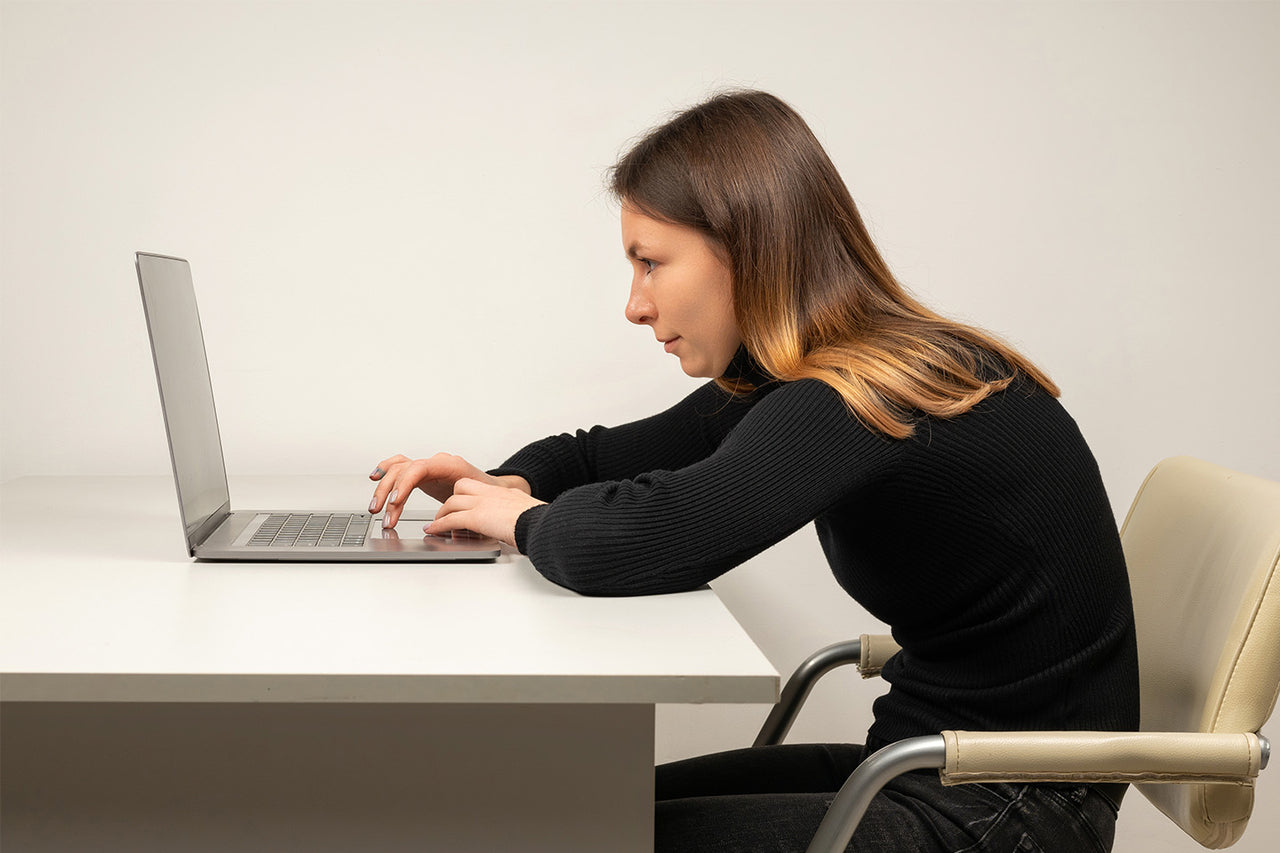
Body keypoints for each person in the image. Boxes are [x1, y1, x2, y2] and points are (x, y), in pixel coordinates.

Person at [368, 90, 1138, 852]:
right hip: (932, 764)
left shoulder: (861, 394)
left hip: (1010, 810)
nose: (635, 305)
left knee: (573, 833)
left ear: (745, 248)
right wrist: (503, 483)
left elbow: (655, 536)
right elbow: (597, 456)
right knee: (570, 814)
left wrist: (522, 521)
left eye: (650, 263)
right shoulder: (823, 371)